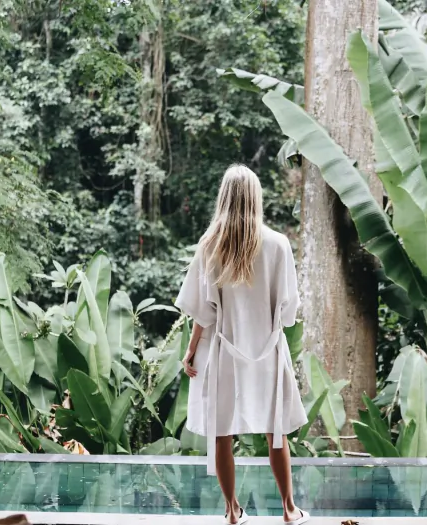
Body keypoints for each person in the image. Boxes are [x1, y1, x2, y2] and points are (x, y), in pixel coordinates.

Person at [175, 164, 311, 525]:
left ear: (224, 197)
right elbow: (288, 313)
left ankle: (232, 510)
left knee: (223, 433)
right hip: (267, 351)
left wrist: (191, 350)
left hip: (223, 353)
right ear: (256, 197)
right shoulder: (278, 245)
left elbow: (203, 312)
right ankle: (289, 508)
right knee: (275, 432)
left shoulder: (210, 246)